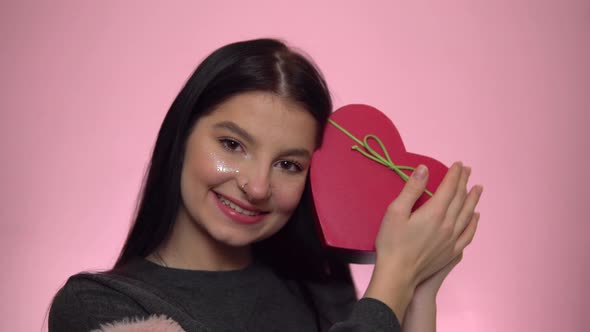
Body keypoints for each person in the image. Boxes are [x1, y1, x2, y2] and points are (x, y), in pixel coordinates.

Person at [49, 38, 482, 332]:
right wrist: (393, 278)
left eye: (289, 165)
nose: (257, 187)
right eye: (232, 144)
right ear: (181, 138)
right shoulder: (102, 308)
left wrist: (421, 286)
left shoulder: (317, 288)